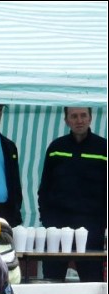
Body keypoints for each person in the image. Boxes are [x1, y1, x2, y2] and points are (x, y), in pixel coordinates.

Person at [37, 106, 107, 283]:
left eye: (83, 115)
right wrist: (47, 220)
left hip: (92, 230)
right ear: (66, 120)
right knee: (52, 281)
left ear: (91, 118)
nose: (79, 120)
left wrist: (103, 223)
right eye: (74, 116)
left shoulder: (103, 148)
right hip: (57, 228)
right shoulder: (56, 147)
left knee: (92, 283)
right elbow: (44, 187)